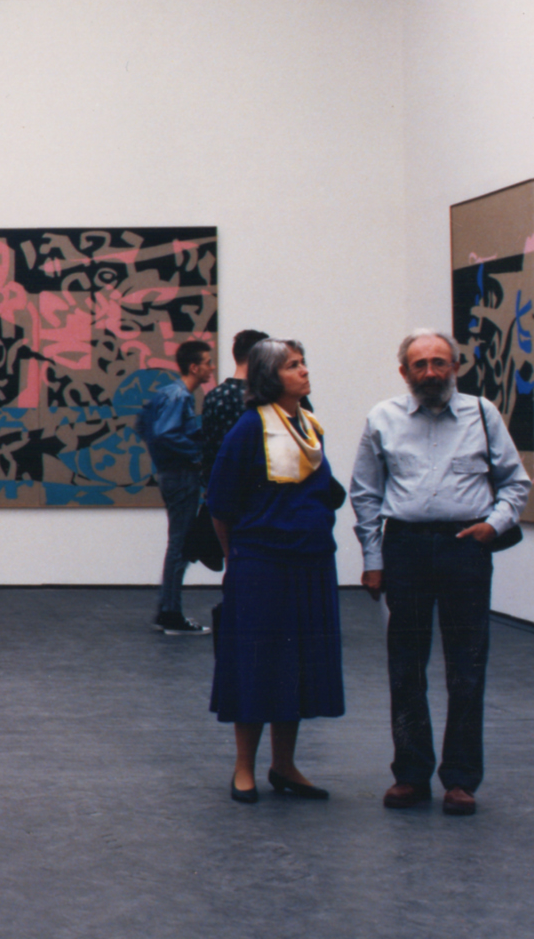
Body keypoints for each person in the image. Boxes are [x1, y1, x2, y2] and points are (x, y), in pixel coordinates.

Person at [350, 329, 528, 816]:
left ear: (456, 367)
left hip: (464, 549)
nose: (431, 372)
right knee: (406, 667)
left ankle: (461, 780)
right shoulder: (382, 418)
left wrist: (493, 526)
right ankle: (410, 774)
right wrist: (373, 560)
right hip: (405, 549)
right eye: (420, 364)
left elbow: (515, 482)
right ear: (404, 371)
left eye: (439, 362)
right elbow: (365, 494)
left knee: (467, 668)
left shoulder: (483, 414)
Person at [206, 338, 346, 803]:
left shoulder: (308, 425)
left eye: (303, 363)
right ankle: (243, 768)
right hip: (262, 563)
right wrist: (236, 559)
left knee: (296, 665)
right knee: (256, 664)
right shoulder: (249, 428)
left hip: (310, 562)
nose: (304, 371)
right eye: (292, 365)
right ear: (270, 377)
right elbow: (221, 504)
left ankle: (284, 765)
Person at [138, 339, 216, 634]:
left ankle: (167, 610)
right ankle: (170, 613)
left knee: (178, 543)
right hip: (181, 476)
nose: (211, 367)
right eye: (207, 362)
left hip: (171, 474)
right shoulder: (181, 396)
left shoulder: (167, 393)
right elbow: (165, 433)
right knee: (180, 544)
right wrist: (196, 454)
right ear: (194, 367)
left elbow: (145, 426)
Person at [198, 329, 269, 480]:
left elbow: (208, 447)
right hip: (256, 482)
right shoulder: (263, 396)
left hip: (221, 480)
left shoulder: (213, 396)